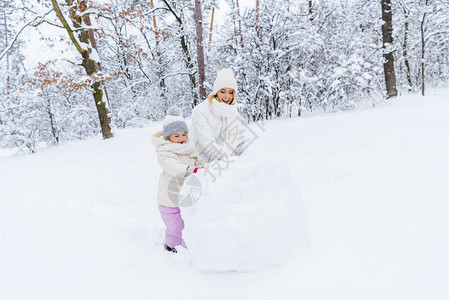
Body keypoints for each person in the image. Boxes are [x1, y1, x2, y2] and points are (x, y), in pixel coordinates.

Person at [152, 106, 204, 253]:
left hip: (187, 196)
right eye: (176, 136)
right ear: (168, 137)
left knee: (189, 222)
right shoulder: (164, 151)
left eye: (183, 134)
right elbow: (171, 166)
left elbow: (198, 160)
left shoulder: (190, 147)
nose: (181, 139)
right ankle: (171, 246)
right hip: (169, 198)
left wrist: (205, 167)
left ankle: (189, 241)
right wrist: (188, 170)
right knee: (175, 226)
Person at [191, 68, 245, 163]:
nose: (227, 96)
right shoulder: (200, 111)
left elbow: (238, 143)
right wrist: (230, 158)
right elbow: (208, 144)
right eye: (223, 92)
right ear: (216, 92)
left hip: (218, 161)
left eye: (231, 92)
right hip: (196, 161)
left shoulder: (232, 111)